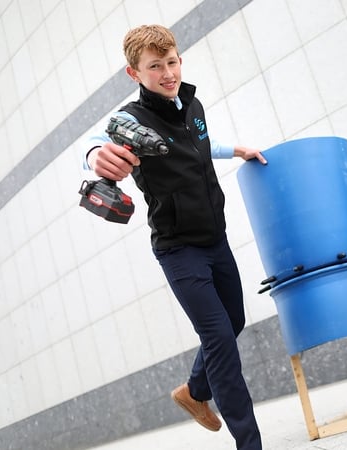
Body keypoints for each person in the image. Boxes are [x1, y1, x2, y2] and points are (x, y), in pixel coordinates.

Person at [84, 24, 265, 449]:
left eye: (171, 62)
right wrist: (95, 156)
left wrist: (236, 149)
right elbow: (96, 143)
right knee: (219, 338)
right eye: (154, 67)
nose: (167, 73)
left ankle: (194, 392)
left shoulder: (192, 103)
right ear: (134, 73)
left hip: (215, 240)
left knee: (233, 322)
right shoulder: (130, 120)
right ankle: (250, 444)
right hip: (179, 249)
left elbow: (197, 143)